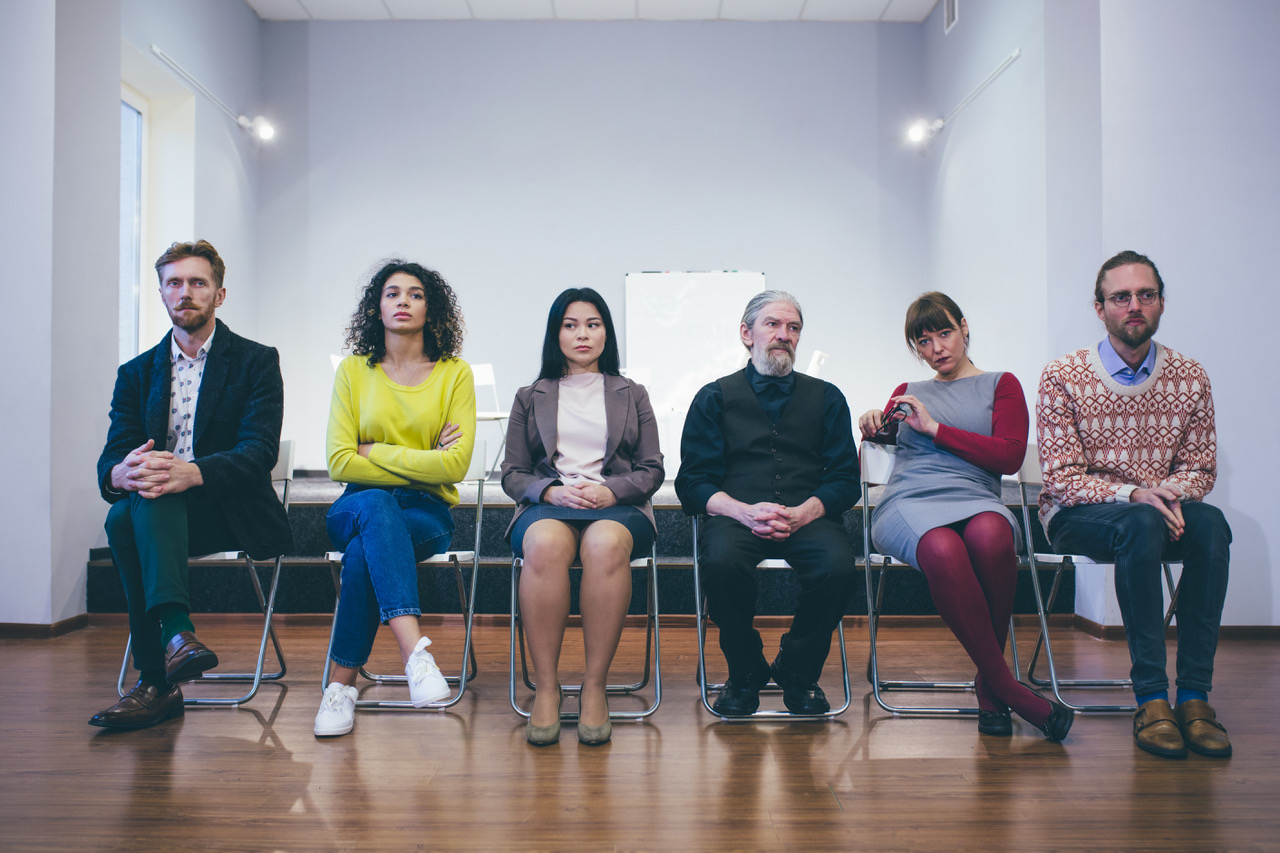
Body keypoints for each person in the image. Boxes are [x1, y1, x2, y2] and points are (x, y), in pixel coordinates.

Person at [1037, 250, 1231, 759]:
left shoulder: (1190, 377)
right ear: (1099, 308)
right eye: (1120, 297)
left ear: (1162, 303)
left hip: (1159, 509)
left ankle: (1193, 696)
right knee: (1140, 524)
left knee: (1212, 527)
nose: (1134, 305)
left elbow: (1201, 468)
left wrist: (1167, 492)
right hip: (1077, 515)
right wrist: (1133, 494)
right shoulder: (1063, 375)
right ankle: (1150, 697)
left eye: (1145, 295)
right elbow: (1061, 478)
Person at [91, 240, 293, 730]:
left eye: (197, 283)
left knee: (134, 511)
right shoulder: (136, 373)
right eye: (174, 283)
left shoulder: (255, 361)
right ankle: (178, 641)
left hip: (228, 512)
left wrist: (192, 472)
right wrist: (120, 473)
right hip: (157, 516)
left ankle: (156, 678)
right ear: (161, 293)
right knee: (133, 504)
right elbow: (113, 458)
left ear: (219, 294)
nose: (186, 293)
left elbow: (258, 452)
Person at [858, 292, 1073, 741]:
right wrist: (875, 422)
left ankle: (991, 684)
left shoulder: (1002, 384)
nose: (937, 347)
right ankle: (1007, 689)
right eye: (924, 340)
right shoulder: (908, 392)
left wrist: (936, 429)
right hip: (910, 500)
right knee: (943, 547)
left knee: (995, 536)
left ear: (964, 327)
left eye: (944, 332)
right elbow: (885, 441)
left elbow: (1010, 457)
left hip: (976, 496)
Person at [675, 291, 857, 716]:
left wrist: (804, 512)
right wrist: (741, 510)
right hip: (737, 518)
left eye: (793, 328)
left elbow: (846, 479)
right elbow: (692, 482)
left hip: (808, 518)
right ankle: (745, 671)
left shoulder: (828, 398)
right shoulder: (713, 398)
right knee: (720, 563)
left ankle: (797, 669)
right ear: (746, 333)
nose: (784, 335)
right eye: (773, 324)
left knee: (838, 568)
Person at [315, 261, 477, 738]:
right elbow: (339, 463)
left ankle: (339, 688)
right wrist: (422, 455)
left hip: (426, 512)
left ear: (433, 308)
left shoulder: (454, 374)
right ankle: (416, 655)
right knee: (376, 507)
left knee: (366, 552)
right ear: (377, 307)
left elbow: (455, 467)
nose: (403, 301)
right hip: (356, 502)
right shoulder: (353, 371)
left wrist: (376, 451)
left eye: (415, 294)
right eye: (392, 293)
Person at [502, 288, 664, 746]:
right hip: (548, 505)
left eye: (593, 324)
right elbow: (512, 473)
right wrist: (551, 490)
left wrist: (608, 489)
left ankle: (594, 687)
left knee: (604, 543)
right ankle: (548, 688)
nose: (582, 334)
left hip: (618, 506)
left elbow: (652, 469)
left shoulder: (632, 393)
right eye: (570, 325)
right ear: (556, 334)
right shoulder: (529, 396)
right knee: (546, 544)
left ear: (606, 333)